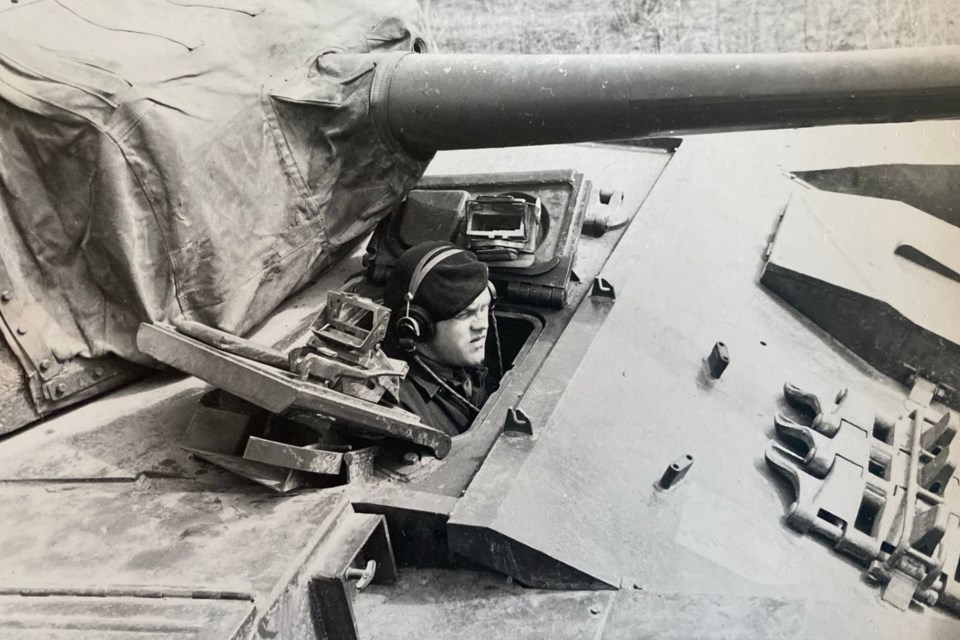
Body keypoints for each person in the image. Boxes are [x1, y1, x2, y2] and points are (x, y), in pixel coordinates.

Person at [383, 241, 500, 436]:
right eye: (465, 314)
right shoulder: (399, 410)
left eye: (484, 308)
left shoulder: (459, 353)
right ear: (417, 326)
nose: (482, 325)